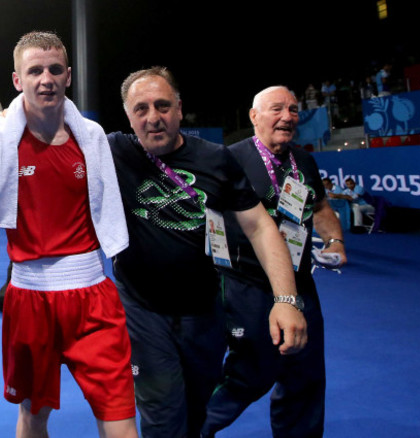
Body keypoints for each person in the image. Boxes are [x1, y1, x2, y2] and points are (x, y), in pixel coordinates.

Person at [107, 67, 307, 438]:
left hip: (204, 310)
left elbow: (260, 227)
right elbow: (55, 126)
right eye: (141, 109)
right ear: (128, 115)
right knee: (162, 412)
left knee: (199, 411)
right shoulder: (113, 151)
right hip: (142, 311)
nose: (153, 117)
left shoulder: (216, 158)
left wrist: (286, 299)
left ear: (180, 109)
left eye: (163, 106)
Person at [0, 31, 138, 438]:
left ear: (67, 76)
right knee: (33, 417)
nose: (45, 78)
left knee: (121, 418)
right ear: (17, 80)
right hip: (29, 298)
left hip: (93, 298)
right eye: (35, 70)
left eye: (54, 69)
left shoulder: (92, 137)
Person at [202, 85, 347, 438]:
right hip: (246, 282)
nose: (287, 117)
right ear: (254, 116)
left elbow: (320, 206)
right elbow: (207, 216)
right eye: (277, 109)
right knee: (253, 371)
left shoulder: (305, 160)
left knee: (306, 372)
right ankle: (192, 427)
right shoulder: (229, 158)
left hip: (299, 282)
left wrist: (335, 240)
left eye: (294, 110)